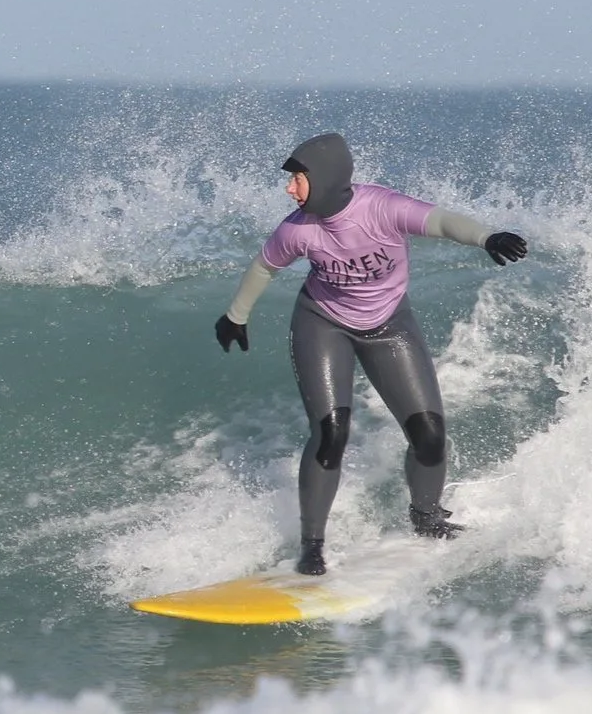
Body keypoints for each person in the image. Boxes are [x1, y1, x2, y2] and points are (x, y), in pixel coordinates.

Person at [212, 132, 528, 573]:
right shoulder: (297, 230)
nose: (289, 189)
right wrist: (235, 316)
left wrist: (488, 237)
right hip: (322, 323)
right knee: (331, 434)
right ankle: (312, 545)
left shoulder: (382, 208)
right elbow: (265, 266)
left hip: (390, 326)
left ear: (322, 179)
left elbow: (441, 222)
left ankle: (426, 517)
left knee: (430, 436)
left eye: (297, 180)